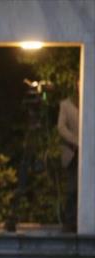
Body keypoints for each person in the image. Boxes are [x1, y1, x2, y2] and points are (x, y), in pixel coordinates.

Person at [57, 82, 79, 233]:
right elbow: (61, 127)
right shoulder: (65, 105)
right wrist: (77, 141)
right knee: (72, 188)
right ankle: (70, 221)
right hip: (73, 152)